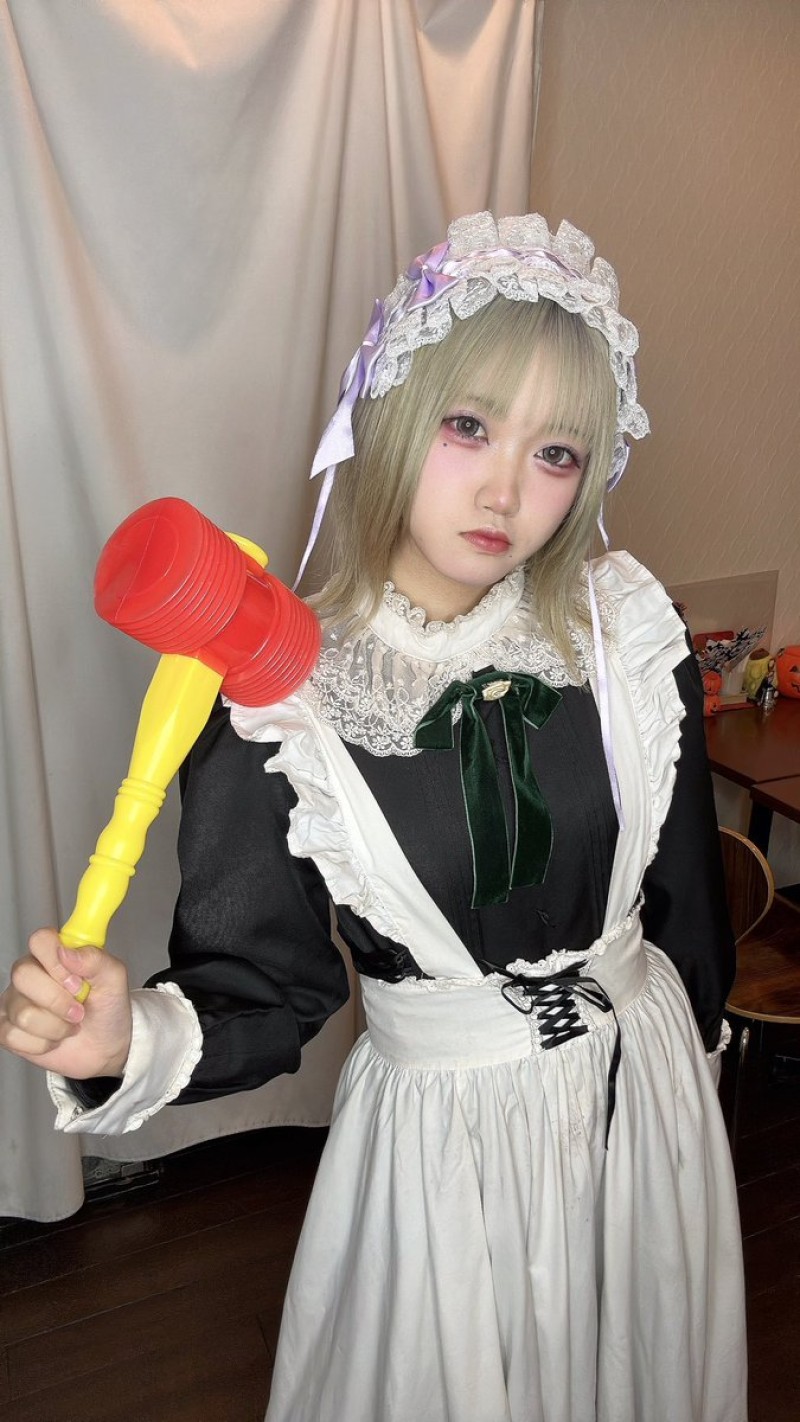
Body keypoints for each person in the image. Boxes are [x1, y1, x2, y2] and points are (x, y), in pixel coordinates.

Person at [0, 213, 746, 1422]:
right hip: (447, 1149)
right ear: (390, 413)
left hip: (643, 1099)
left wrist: (687, 1083)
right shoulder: (282, 701)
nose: (504, 490)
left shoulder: (623, 634)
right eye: (468, 426)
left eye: (556, 452)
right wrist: (123, 1041)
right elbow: (264, 990)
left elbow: (683, 906)